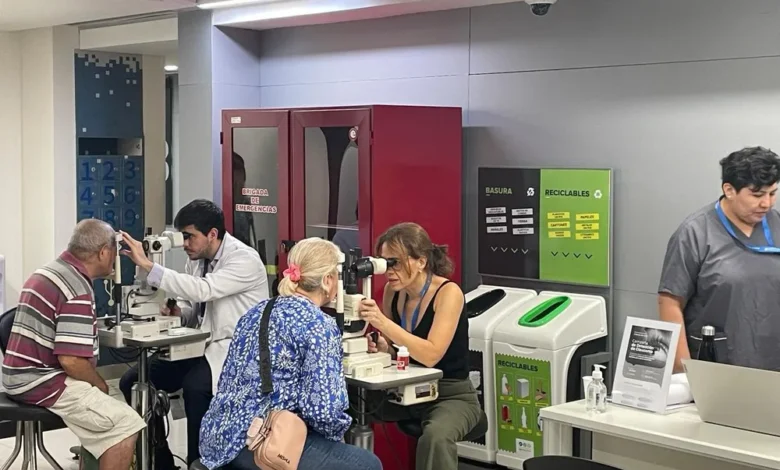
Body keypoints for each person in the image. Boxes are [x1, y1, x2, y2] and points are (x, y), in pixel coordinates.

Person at [199, 238, 382, 470]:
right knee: (367, 464)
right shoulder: (319, 326)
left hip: (219, 439)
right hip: (262, 445)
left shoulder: (256, 312)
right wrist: (339, 434)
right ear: (327, 280)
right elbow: (323, 412)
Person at [118, 199, 269, 468]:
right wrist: (180, 313)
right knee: (134, 382)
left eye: (189, 237)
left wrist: (150, 267)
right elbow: (196, 307)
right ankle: (161, 462)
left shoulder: (243, 259)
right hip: (203, 346)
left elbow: (204, 290)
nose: (185, 244)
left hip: (235, 351)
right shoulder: (198, 261)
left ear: (212, 233)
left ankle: (199, 463)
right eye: (182, 237)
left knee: (195, 388)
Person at [1, 219, 145, 470]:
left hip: (19, 375)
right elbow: (71, 361)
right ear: (103, 252)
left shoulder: (48, 271)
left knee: (105, 412)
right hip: (39, 381)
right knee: (126, 423)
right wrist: (100, 385)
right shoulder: (76, 288)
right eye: (114, 251)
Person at [357, 222, 481, 470]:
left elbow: (431, 354)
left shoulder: (448, 293)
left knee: (436, 438)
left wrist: (382, 322)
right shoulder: (394, 292)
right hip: (405, 387)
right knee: (347, 407)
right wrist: (383, 347)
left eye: (395, 262)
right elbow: (397, 347)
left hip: (449, 394)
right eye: (385, 263)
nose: (389, 271)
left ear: (421, 261)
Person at [659, 146, 780, 372]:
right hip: (718, 362)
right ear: (729, 190)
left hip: (772, 361)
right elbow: (670, 302)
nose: (767, 203)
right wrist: (684, 372)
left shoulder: (776, 225)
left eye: (772, 193)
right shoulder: (694, 233)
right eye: (757, 195)